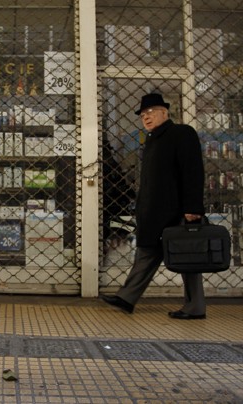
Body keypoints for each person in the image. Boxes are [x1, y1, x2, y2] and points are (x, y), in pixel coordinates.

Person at [101, 93, 207, 320]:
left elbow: (193, 172)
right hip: (154, 213)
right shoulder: (152, 139)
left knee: (188, 258)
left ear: (164, 112)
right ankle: (127, 297)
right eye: (142, 115)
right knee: (146, 253)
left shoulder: (182, 134)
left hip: (178, 211)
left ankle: (195, 306)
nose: (146, 118)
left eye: (151, 112)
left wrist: (193, 208)